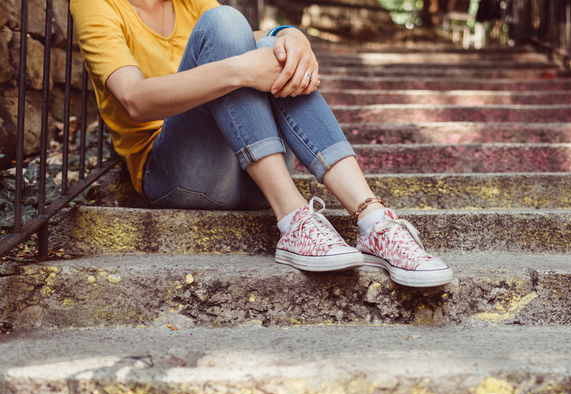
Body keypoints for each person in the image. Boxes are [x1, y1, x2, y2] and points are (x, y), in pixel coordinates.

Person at [70, 0, 453, 287]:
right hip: (177, 176)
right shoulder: (95, 4)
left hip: (252, 174)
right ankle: (293, 218)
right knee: (225, 23)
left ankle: (374, 222)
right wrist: (239, 71)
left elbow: (245, 42)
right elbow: (134, 99)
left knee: (267, 47)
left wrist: (290, 36)